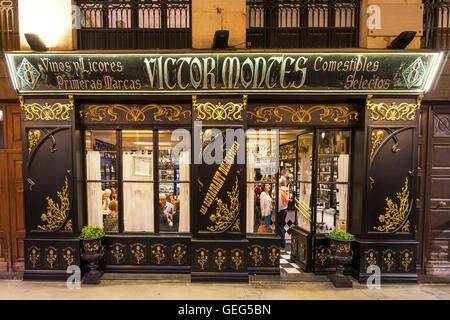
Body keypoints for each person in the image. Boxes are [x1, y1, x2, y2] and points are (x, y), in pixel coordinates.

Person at [277, 177, 289, 249]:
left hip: (281, 210)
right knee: (281, 226)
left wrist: (277, 210)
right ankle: (282, 243)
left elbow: (279, 203)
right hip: (285, 209)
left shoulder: (280, 191)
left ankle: (282, 244)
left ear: (280, 183)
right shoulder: (286, 190)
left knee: (280, 227)